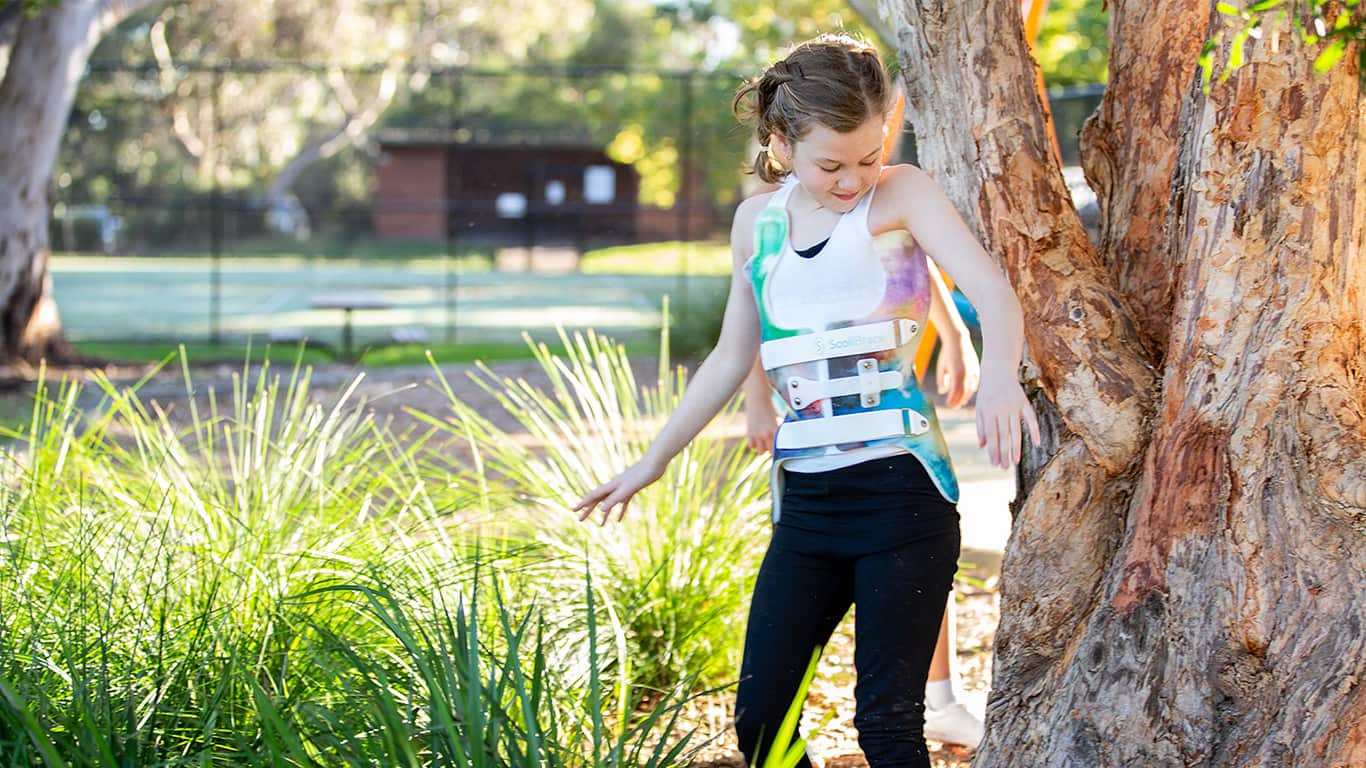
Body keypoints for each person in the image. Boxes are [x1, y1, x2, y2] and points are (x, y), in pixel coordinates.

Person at [574, 33, 1038, 768]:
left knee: (886, 725)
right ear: (781, 141)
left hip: (903, 500)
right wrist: (652, 461)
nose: (854, 178)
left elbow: (993, 291)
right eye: (832, 164)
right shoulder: (754, 225)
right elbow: (732, 356)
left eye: (868, 156)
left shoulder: (904, 193)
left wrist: (1001, 375)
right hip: (806, 511)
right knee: (762, 727)